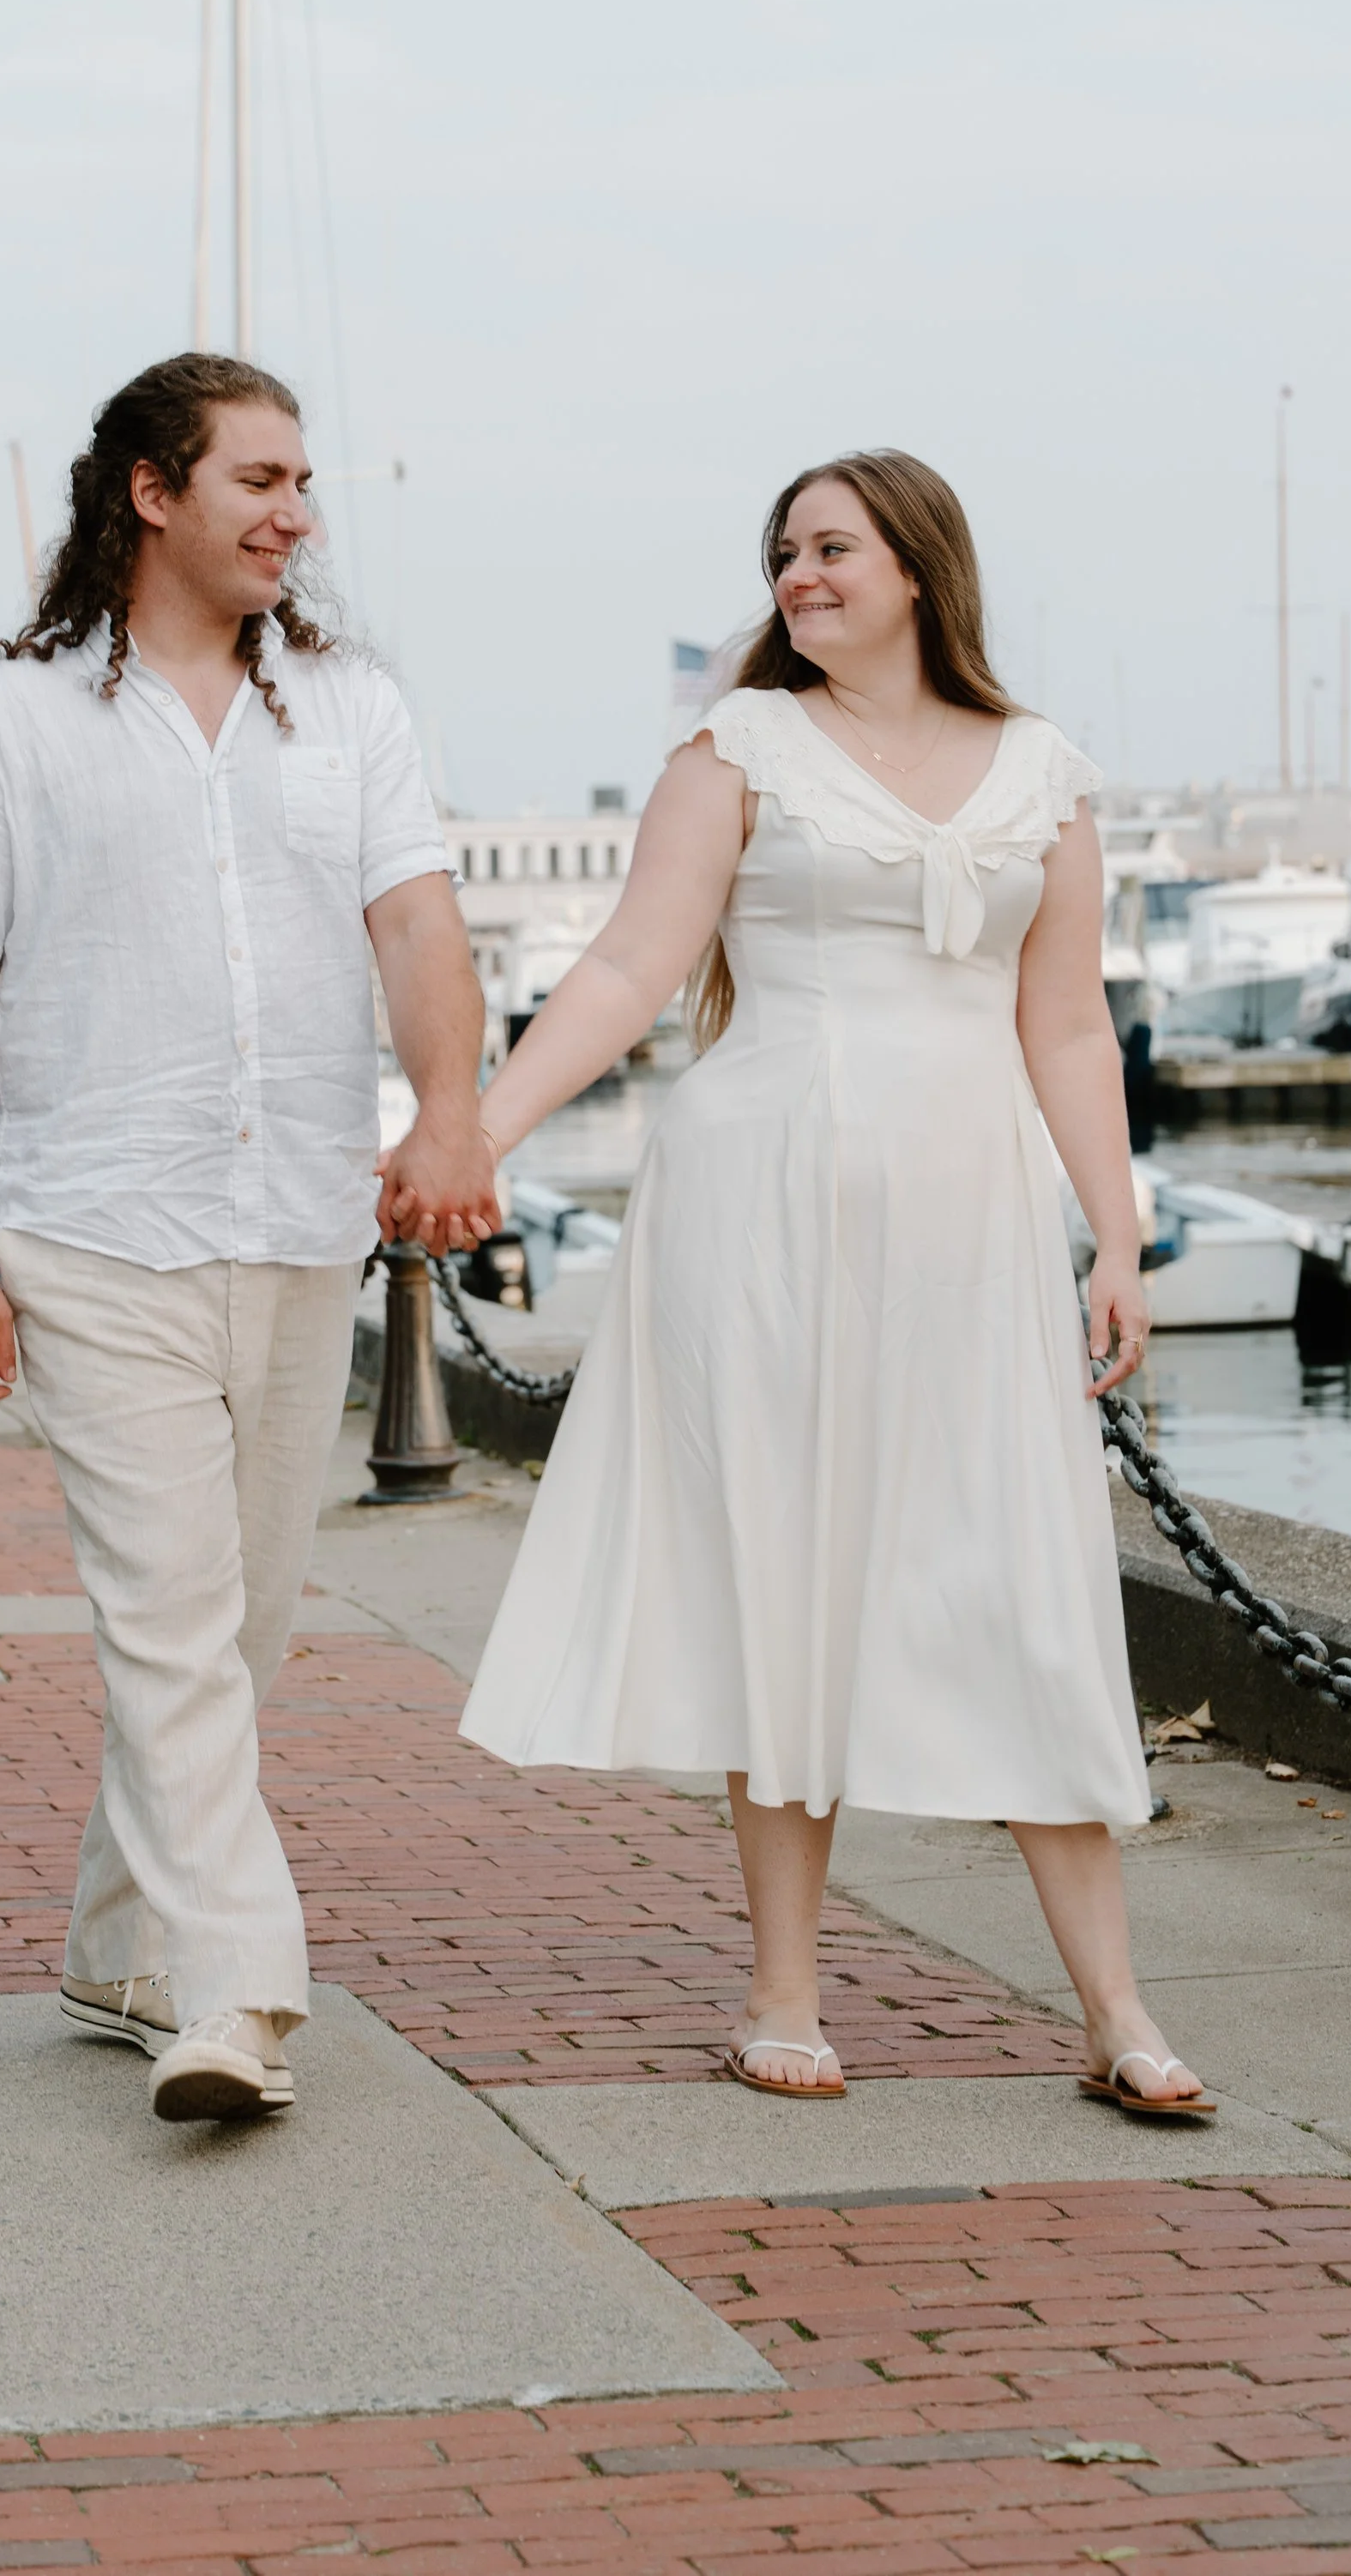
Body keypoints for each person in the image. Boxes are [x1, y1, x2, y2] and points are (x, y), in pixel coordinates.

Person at [431, 450, 1208, 2114]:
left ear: (917, 566)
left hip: (969, 1218)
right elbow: (635, 966)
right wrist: (477, 1131)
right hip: (757, 1202)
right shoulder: (734, 751)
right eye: (781, 551)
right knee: (777, 1576)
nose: (796, 573)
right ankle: (781, 1992)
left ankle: (1116, 2013)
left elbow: (1064, 1023)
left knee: (1015, 1584)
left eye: (830, 547)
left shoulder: (1042, 774)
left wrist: (1117, 1235)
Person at [0, 353, 497, 2125]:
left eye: (303, 484)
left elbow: (418, 929)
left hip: (300, 1221)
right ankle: (236, 1996)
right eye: (259, 480)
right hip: (92, 1223)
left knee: (235, 1637)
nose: (293, 513)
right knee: (165, 1622)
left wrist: (445, 1107)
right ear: (151, 492)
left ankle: (109, 1947)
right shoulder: (3, 720)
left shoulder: (352, 710)